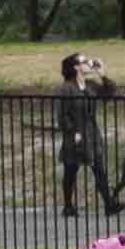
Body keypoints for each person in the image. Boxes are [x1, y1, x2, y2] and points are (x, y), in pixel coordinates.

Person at [50, 50, 108, 219]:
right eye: (84, 61)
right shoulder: (66, 88)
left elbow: (108, 94)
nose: (88, 62)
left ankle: (109, 204)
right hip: (75, 135)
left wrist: (102, 74)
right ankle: (68, 206)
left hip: (91, 133)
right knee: (70, 170)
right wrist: (72, 131)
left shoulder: (89, 85)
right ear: (75, 67)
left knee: (99, 169)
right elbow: (62, 116)